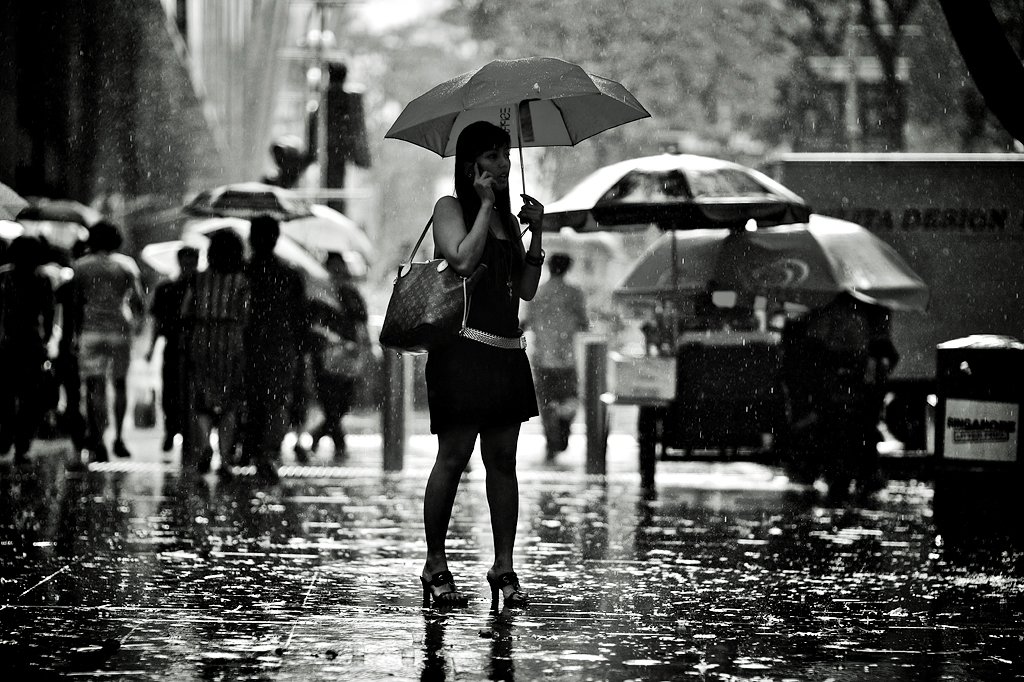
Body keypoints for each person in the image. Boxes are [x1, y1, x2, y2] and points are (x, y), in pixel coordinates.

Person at [419, 121, 545, 609]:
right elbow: (463, 261)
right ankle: (435, 564)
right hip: (462, 351)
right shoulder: (450, 208)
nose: (503, 165)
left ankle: (504, 567)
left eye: (505, 156)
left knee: (504, 463)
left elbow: (527, 290)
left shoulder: (510, 222)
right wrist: (487, 205)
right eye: (493, 157)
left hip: (506, 352)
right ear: (471, 163)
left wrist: (537, 233)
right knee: (452, 459)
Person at [781, 292, 898, 500]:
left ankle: (845, 475)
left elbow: (814, 350)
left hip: (842, 388)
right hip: (852, 388)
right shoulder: (865, 310)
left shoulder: (829, 312)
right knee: (855, 429)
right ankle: (858, 475)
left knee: (842, 429)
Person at [71, 221, 145, 461]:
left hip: (91, 332)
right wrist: (138, 325)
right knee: (120, 384)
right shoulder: (126, 265)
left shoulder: (81, 267)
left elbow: (75, 303)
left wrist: (73, 334)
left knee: (95, 386)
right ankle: (120, 438)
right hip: (120, 331)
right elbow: (138, 301)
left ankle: (99, 437)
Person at [242, 215, 308, 483]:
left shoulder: (242, 272)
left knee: (250, 398)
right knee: (276, 401)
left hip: (248, 345)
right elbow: (300, 318)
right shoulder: (290, 274)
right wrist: (301, 351)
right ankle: (268, 450)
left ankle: (250, 448)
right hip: (281, 347)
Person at [180, 232, 249, 476]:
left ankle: (204, 449)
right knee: (229, 403)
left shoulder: (198, 279)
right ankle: (226, 458)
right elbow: (246, 314)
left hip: (203, 341)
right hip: (231, 343)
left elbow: (186, 311)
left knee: (202, 402)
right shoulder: (241, 281)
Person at [304, 253, 370, 462]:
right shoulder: (319, 291)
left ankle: (318, 435)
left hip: (349, 354)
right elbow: (312, 322)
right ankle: (339, 443)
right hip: (325, 354)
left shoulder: (350, 291)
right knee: (330, 402)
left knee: (343, 402)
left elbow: (361, 318)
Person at [523, 253, 589, 461]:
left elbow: (526, 323)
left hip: (542, 358)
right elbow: (584, 323)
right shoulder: (575, 293)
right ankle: (562, 431)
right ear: (568, 268)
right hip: (566, 359)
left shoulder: (538, 293)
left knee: (546, 402)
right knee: (570, 399)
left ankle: (552, 440)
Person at [0, 236, 56, 463]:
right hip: (32, 344)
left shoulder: (4, 277)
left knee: (6, 394)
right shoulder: (42, 279)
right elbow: (49, 313)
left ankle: (5, 436)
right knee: (29, 398)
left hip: (7, 343)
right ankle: (22, 445)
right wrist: (47, 338)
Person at [146, 246, 200, 452]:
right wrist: (152, 347)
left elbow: (158, 320)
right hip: (175, 345)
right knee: (170, 391)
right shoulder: (168, 287)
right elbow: (158, 321)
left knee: (185, 391)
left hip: (192, 346)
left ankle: (184, 432)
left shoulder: (198, 286)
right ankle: (172, 430)